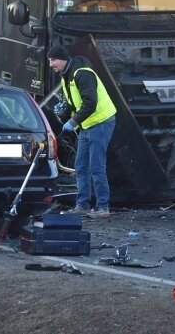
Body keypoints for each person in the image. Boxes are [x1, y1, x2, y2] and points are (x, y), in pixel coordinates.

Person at [47, 45, 117, 219]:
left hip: (100, 122)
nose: (50, 64)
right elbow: (75, 102)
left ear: (62, 59)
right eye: (49, 60)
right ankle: (83, 205)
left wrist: (73, 121)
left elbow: (90, 103)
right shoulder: (66, 76)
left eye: (53, 60)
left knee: (96, 167)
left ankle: (102, 207)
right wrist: (65, 110)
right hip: (87, 124)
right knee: (81, 167)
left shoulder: (82, 74)